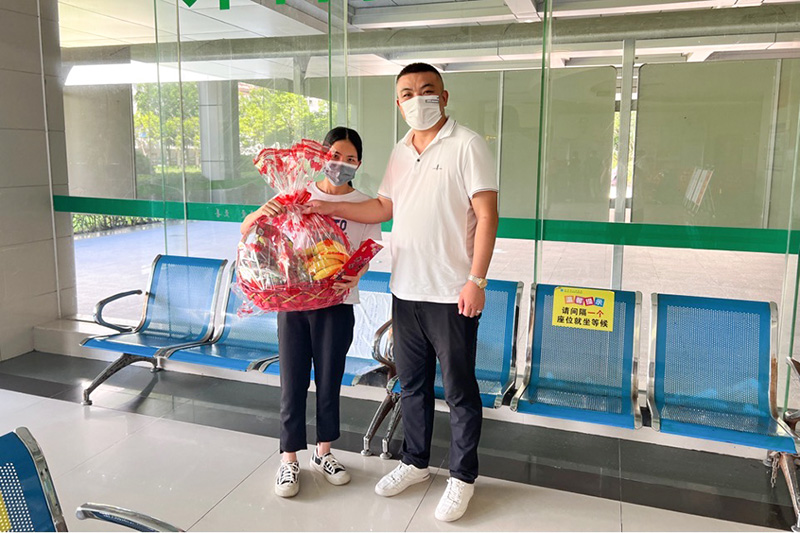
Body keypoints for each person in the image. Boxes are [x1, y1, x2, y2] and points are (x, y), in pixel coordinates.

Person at [306, 63, 499, 522]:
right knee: (411, 385)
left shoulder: (467, 144)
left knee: (459, 391)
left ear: (444, 97)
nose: (417, 99)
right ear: (399, 103)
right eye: (408, 93)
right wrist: (325, 206)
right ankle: (415, 461)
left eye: (427, 90)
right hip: (407, 289)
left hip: (452, 291)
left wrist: (477, 280)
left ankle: (462, 477)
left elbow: (487, 215)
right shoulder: (399, 150)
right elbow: (381, 207)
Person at [240, 127, 382, 498]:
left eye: (350, 159)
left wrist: (356, 273)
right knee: (292, 380)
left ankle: (324, 453)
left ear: (359, 164)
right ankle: (288, 459)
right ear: (322, 157)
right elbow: (250, 233)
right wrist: (261, 212)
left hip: (337, 303)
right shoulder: (297, 194)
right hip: (294, 303)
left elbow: (368, 251)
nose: (341, 164)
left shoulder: (367, 204)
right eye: (335, 156)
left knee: (330, 380)